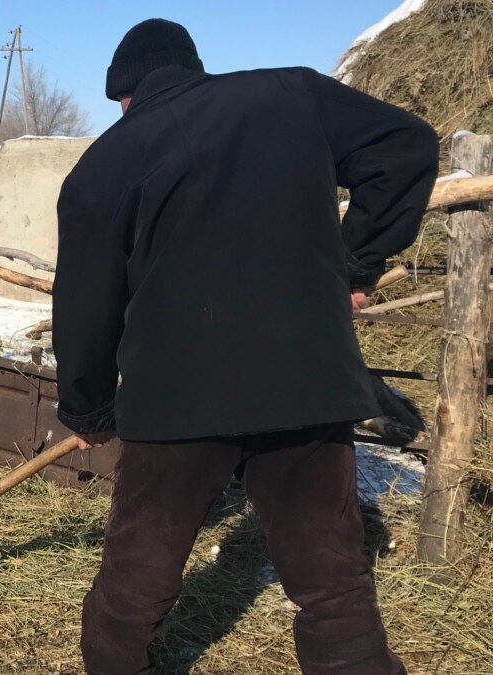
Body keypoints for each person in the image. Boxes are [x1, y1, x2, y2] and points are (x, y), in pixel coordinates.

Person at [52, 18, 438, 675]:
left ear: (124, 95)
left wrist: (88, 411)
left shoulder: (107, 160)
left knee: (134, 581)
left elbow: (85, 305)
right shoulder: (291, 95)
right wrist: (353, 263)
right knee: (333, 588)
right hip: (307, 383)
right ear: (191, 70)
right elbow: (408, 148)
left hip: (177, 401)